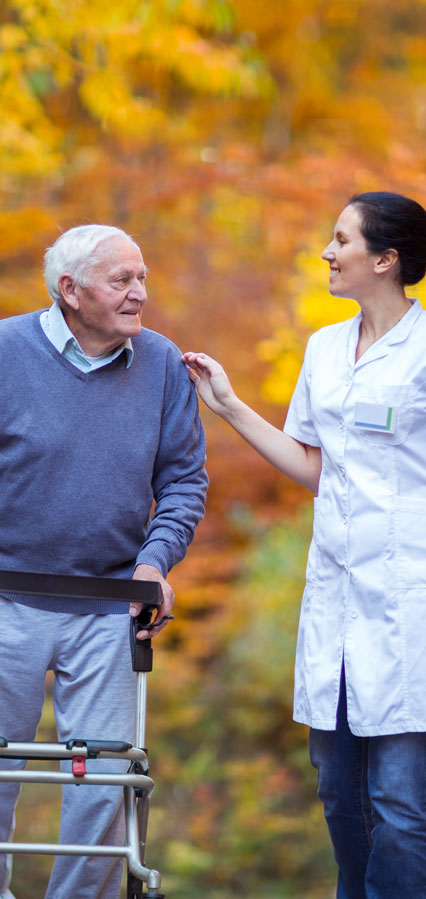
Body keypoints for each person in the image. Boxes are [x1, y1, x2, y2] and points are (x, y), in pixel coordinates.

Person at [182, 191, 426, 899]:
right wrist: (228, 406)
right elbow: (312, 468)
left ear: (386, 259)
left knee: (404, 806)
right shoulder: (323, 349)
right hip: (339, 606)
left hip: (409, 606)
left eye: (341, 239)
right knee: (338, 797)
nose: (326, 251)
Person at [0, 224, 208, 899]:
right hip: (6, 597)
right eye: (122, 280)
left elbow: (183, 481)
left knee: (104, 787)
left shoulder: (160, 364)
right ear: (70, 289)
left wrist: (155, 562)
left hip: (111, 602)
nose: (140, 293)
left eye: (141, 277)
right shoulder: (6, 351)